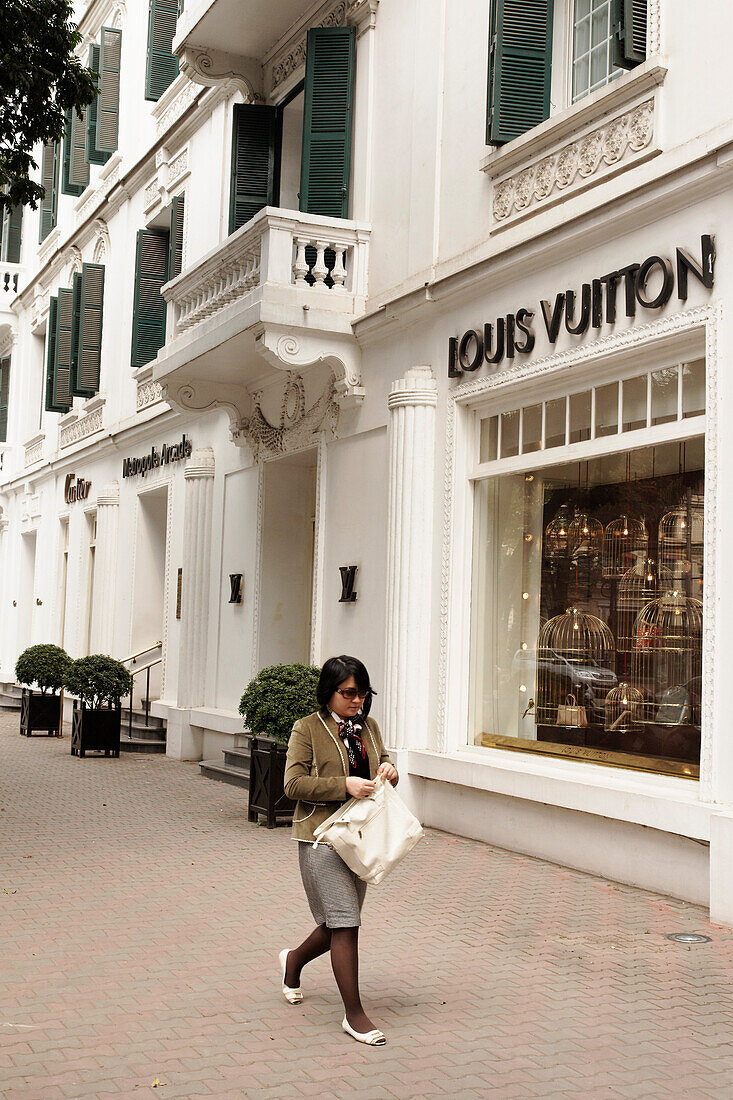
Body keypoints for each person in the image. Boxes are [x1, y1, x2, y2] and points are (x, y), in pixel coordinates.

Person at [281, 655, 399, 1046]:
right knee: (345, 922)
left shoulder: (370, 727)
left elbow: (382, 760)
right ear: (328, 692)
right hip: (320, 837)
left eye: (363, 694)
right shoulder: (307, 729)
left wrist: (389, 771)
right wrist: (342, 785)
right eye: (349, 693)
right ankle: (355, 1014)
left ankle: (294, 960)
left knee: (337, 924)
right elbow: (293, 784)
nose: (357, 702)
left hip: (361, 837)